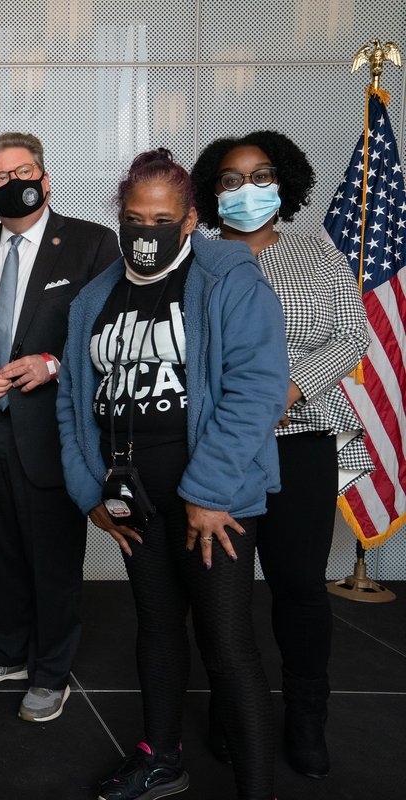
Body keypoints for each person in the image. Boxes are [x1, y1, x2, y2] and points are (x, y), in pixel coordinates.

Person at [57, 149, 288, 800]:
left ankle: (256, 788)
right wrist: (89, 492)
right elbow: (74, 405)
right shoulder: (95, 297)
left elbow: (258, 390)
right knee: (156, 625)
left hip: (212, 501)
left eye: (163, 219)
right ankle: (161, 757)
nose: (146, 232)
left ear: (190, 222)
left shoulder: (227, 278)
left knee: (227, 642)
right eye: (135, 218)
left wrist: (212, 493)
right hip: (134, 500)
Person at [191, 131, 369, 779]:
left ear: (284, 182)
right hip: (220, 451)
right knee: (221, 598)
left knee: (298, 589)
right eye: (231, 180)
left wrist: (284, 390)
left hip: (301, 443)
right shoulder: (194, 262)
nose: (246, 190)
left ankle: (305, 717)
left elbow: (353, 336)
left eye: (260, 176)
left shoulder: (317, 258)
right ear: (212, 193)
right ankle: (233, 711)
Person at [0, 132, 118, 723]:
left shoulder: (93, 246)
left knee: (53, 557)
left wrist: (51, 363)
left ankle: (51, 671)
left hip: (50, 431)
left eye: (21, 172)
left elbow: (108, 333)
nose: (10, 183)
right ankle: (8, 651)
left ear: (45, 178)